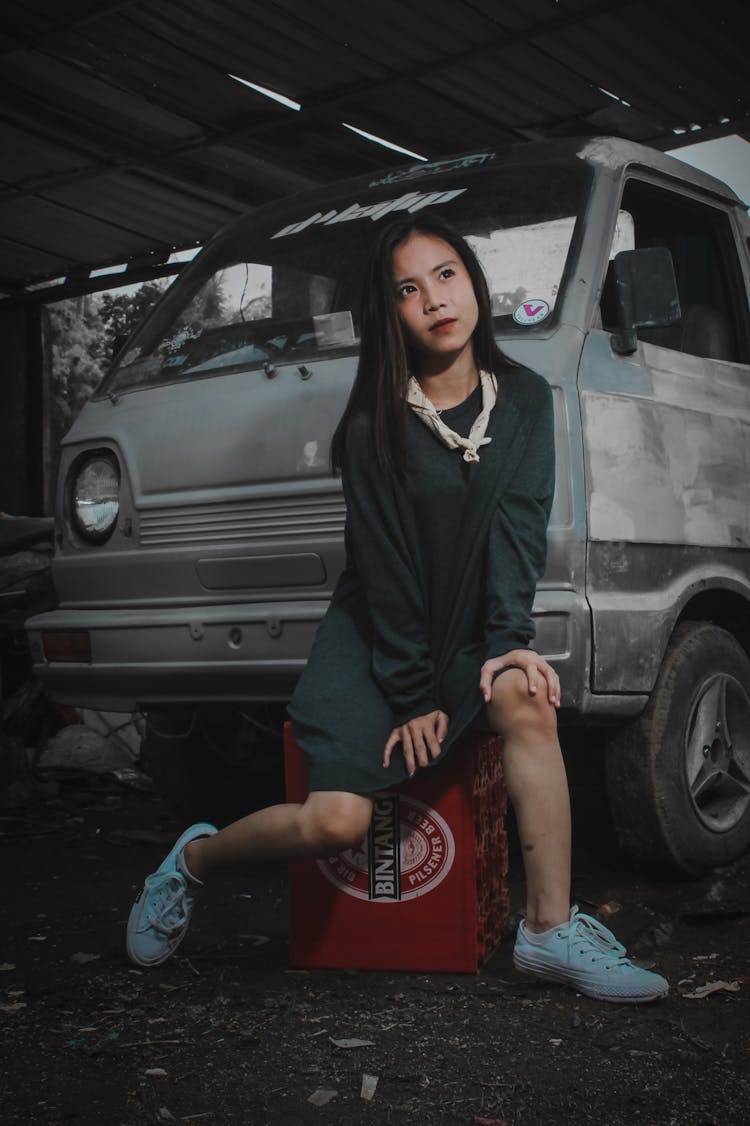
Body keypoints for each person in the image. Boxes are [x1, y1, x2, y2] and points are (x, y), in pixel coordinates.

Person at [126, 214, 668, 1004]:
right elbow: (384, 574)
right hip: (376, 640)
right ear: (391, 314)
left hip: (464, 632)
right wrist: (412, 693)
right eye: (409, 289)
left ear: (473, 283)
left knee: (529, 694)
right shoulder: (372, 426)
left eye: (447, 275)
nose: (436, 300)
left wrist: (510, 643)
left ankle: (550, 932)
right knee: (333, 826)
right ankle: (192, 860)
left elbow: (519, 529)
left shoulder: (524, 400)